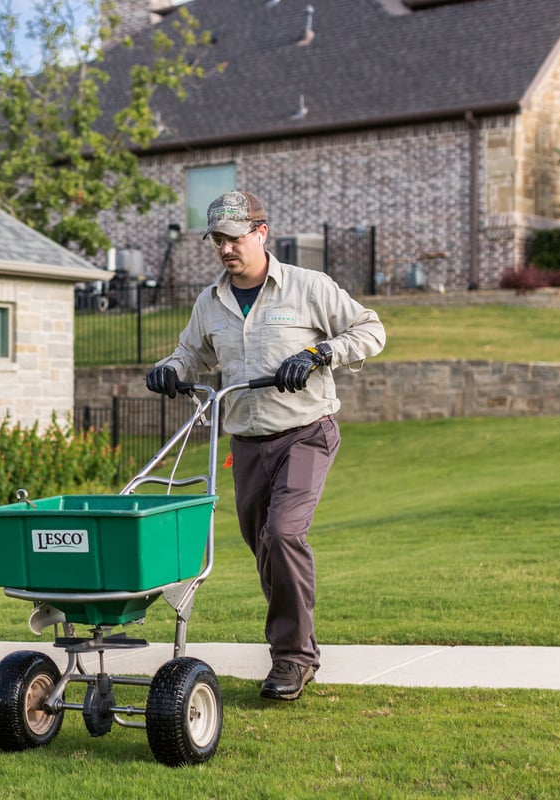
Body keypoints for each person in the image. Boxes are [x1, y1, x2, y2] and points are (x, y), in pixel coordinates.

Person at [145, 190, 386, 701]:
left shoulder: (308, 287)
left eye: (234, 238)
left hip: (306, 433)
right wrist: (171, 369)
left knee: (282, 534)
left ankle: (293, 660)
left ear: (261, 232)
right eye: (217, 240)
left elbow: (370, 329)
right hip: (247, 445)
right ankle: (295, 649)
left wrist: (322, 352)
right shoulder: (210, 302)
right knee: (265, 549)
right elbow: (192, 353)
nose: (226, 249)